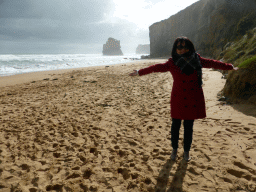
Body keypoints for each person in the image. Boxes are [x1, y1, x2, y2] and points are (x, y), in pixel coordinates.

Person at [129, 37, 238, 161]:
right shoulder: (171, 63)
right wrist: (139, 72)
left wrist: (230, 67)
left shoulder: (198, 60)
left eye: (185, 47)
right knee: (175, 126)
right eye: (179, 47)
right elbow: (155, 67)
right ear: (175, 49)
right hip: (178, 98)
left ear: (190, 48)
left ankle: (186, 152)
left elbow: (214, 63)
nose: (182, 50)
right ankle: (174, 150)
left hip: (193, 97)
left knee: (188, 127)